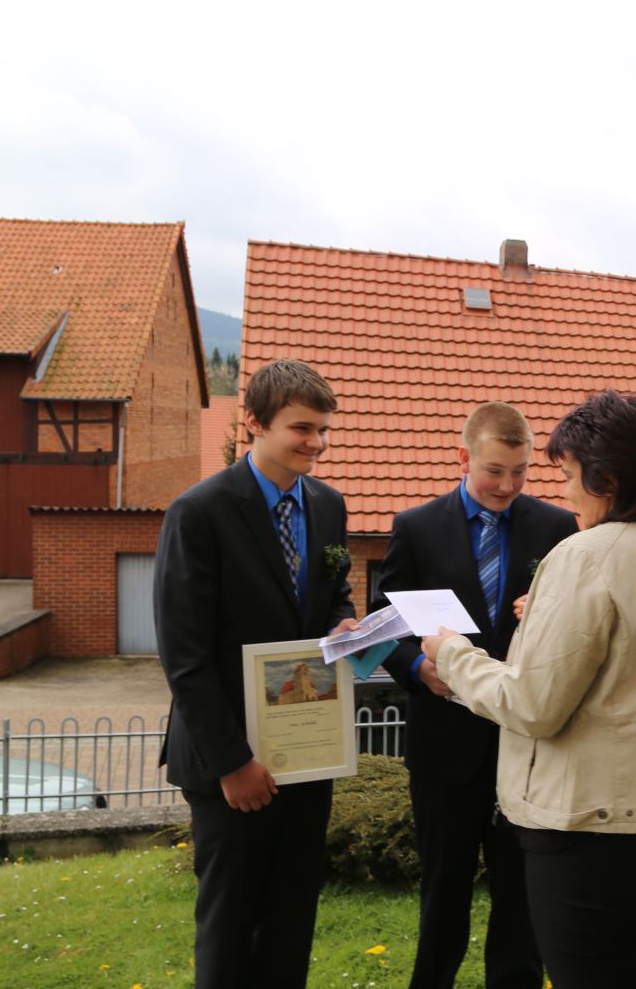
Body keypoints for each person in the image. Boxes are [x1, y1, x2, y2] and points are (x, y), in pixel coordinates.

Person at [420, 390, 636, 989]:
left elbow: (532, 704)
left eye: (567, 476)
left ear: (606, 478)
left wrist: (452, 654)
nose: (563, 492)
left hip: (588, 827)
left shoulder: (585, 556)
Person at [154, 358, 359, 987]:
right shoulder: (199, 512)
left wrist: (346, 623)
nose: (316, 443)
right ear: (253, 423)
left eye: (324, 430)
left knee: (293, 914)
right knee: (230, 921)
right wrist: (232, 764)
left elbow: (334, 592)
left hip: (306, 749)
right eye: (302, 428)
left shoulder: (329, 505)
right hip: (230, 764)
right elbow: (184, 655)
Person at [374, 402, 578, 989]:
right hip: (444, 744)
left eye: (520, 472)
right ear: (463, 458)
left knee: (521, 893)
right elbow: (387, 623)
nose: (508, 486)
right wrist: (416, 666)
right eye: (495, 471)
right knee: (444, 889)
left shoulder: (556, 528)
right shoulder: (415, 527)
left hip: (525, 742)